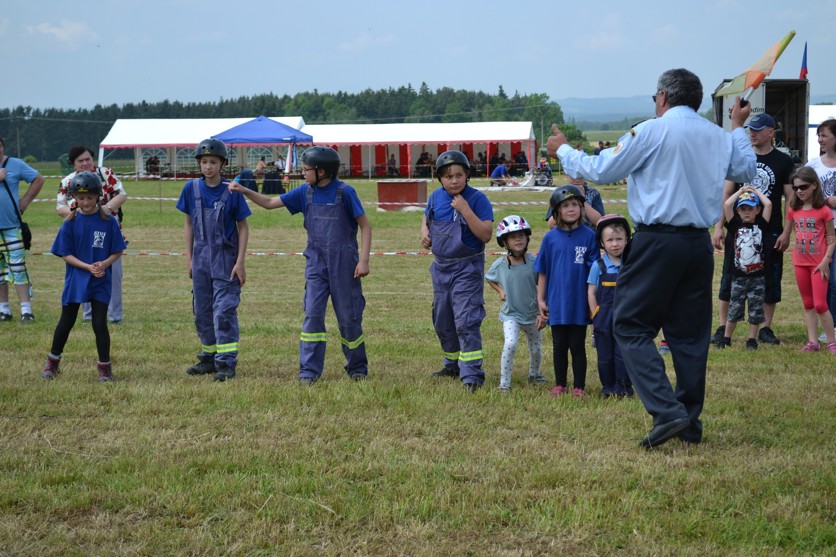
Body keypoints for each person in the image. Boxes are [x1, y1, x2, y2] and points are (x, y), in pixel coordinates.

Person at [547, 68, 756, 448]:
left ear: (662, 97)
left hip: (656, 240)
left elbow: (601, 168)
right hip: (697, 245)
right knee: (690, 336)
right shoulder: (718, 135)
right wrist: (738, 127)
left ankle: (667, 411)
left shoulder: (650, 130)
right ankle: (688, 422)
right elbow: (746, 169)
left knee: (628, 325)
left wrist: (561, 148)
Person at [229, 146, 371, 383]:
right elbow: (270, 202)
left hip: (344, 266)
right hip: (316, 266)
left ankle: (357, 368)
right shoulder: (304, 192)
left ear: (322, 171)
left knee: (349, 318)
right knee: (312, 316)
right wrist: (244, 190)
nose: (302, 173)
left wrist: (364, 260)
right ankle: (308, 371)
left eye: (306, 170)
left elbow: (365, 226)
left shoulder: (345, 193)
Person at [710, 113, 794, 346]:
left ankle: (765, 328)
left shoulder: (783, 161)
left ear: (771, 132)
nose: (752, 133)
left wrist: (787, 232)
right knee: (729, 277)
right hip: (737, 229)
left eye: (758, 129)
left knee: (769, 279)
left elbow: (790, 199)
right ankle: (722, 326)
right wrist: (719, 228)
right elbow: (726, 194)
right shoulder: (739, 159)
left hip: (770, 230)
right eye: (750, 129)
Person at [176, 139, 251, 382]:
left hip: (226, 259)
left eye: (214, 162)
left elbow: (244, 227)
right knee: (202, 311)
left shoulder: (232, 191)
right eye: (204, 162)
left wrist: (240, 262)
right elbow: (188, 225)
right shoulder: (191, 189)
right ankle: (208, 357)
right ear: (199, 163)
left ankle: (227, 363)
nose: (208, 166)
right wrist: (189, 258)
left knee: (224, 310)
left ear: (222, 164)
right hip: (200, 259)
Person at [41, 172, 126, 382]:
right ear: (74, 199)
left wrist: (104, 264)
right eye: (80, 198)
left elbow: (117, 250)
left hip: (100, 280)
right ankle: (52, 363)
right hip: (77, 279)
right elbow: (65, 254)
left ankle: (104, 369)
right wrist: (87, 266)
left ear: (98, 196)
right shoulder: (70, 223)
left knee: (99, 323)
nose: (85, 202)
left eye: (89, 197)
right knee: (66, 321)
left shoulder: (109, 222)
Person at [421, 150, 493, 392]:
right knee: (442, 319)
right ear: (440, 179)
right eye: (448, 176)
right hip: (440, 268)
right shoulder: (434, 198)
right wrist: (424, 231)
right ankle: (452, 364)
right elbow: (427, 217)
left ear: (467, 175)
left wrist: (465, 210)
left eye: (459, 175)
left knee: (466, 320)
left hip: (467, 268)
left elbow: (485, 234)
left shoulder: (477, 199)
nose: (454, 180)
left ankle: (472, 375)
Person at [535, 185, 598, 397]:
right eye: (565, 206)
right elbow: (542, 271)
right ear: (556, 211)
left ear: (581, 208)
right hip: (557, 302)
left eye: (575, 205)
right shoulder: (549, 238)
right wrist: (541, 299)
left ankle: (579, 387)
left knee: (578, 346)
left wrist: (593, 304)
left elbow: (594, 273)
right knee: (559, 345)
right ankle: (560, 384)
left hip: (579, 302)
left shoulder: (589, 236)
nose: (571, 209)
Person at [57, 146, 128, 324]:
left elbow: (121, 195)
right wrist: (78, 215)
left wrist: (105, 210)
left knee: (112, 274)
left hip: (108, 231)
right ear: (73, 163)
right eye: (80, 161)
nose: (85, 163)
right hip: (81, 236)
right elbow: (60, 206)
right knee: (85, 272)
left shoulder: (106, 174)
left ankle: (114, 316)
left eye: (88, 159)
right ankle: (88, 315)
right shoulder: (67, 182)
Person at [485, 215, 544, 392]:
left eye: (521, 235)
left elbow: (542, 284)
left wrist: (542, 311)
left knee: (536, 349)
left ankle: (535, 374)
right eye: (512, 237)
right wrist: (501, 291)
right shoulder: (499, 265)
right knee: (510, 344)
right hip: (511, 315)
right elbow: (489, 278)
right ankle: (504, 384)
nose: (518, 239)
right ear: (504, 243)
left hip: (533, 315)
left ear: (527, 238)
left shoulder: (535, 262)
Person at [781, 166, 836, 352]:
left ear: (814, 185)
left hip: (819, 264)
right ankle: (813, 342)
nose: (799, 191)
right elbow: (788, 231)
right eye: (796, 188)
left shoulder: (824, 210)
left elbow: (831, 238)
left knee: (821, 304)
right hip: (800, 263)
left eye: (803, 187)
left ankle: (832, 341)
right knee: (808, 303)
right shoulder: (793, 209)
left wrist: (826, 260)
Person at [716, 188, 773, 350]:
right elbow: (727, 204)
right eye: (743, 209)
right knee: (734, 308)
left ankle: (752, 340)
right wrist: (741, 190)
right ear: (738, 211)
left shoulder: (762, 225)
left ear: (757, 210)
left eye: (750, 209)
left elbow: (768, 203)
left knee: (755, 311)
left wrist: (754, 190)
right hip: (738, 277)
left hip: (758, 277)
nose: (747, 213)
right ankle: (726, 338)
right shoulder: (735, 225)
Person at [587, 214, 633, 397]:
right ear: (602, 243)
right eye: (610, 240)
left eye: (619, 239)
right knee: (604, 356)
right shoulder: (598, 266)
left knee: (623, 355)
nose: (615, 244)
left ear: (627, 240)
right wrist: (595, 314)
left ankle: (623, 387)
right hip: (603, 318)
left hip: (626, 318)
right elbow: (591, 291)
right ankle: (607, 387)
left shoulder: (630, 264)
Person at [0, 136, 45, 323]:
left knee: (18, 269)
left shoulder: (15, 164)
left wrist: (24, 202)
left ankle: (26, 310)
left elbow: (38, 179)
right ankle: (4, 310)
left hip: (12, 228)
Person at [804, 118, 836, 341]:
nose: (820, 139)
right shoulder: (813, 165)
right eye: (819, 134)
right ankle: (828, 327)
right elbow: (799, 190)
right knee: (825, 278)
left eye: (825, 135)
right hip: (820, 231)